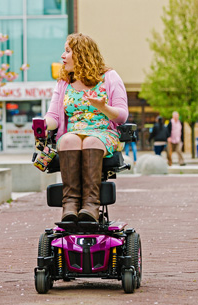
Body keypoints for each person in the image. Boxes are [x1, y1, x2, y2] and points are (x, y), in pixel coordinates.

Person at [45, 33, 128, 223]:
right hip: (73, 132)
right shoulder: (64, 83)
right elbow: (54, 117)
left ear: (82, 54)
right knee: (68, 139)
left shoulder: (109, 77)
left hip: (103, 133)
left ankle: (91, 204)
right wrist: (42, 124)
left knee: (91, 140)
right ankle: (70, 204)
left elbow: (122, 116)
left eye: (67, 51)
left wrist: (103, 107)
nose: (62, 56)